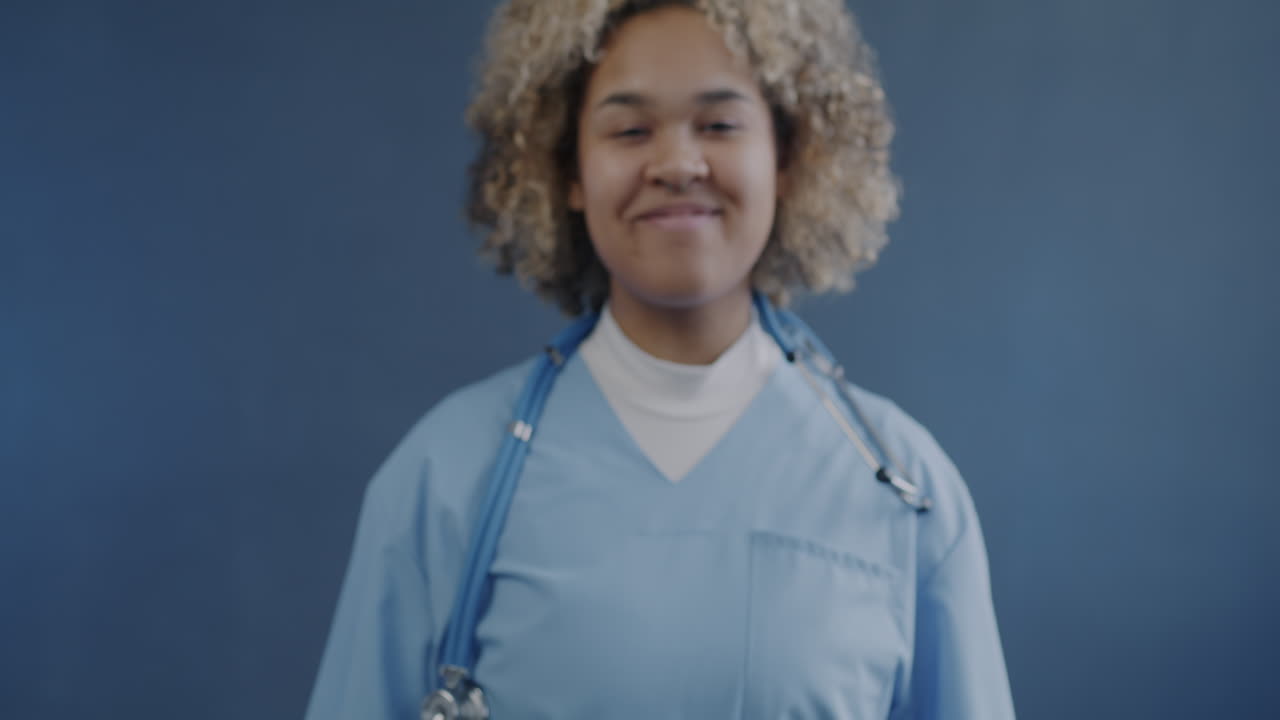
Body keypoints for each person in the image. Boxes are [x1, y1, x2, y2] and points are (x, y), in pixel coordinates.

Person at [306, 0, 1015, 718]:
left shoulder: (906, 494)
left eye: (719, 124)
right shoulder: (445, 480)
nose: (677, 163)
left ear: (789, 160)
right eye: (630, 129)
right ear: (568, 171)